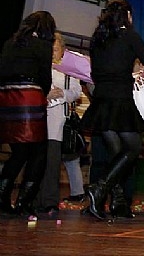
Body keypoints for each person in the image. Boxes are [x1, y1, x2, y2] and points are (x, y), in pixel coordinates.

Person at [81, 0, 144, 220]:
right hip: (121, 100)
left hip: (101, 101)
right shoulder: (131, 36)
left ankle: (117, 202)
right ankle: (100, 188)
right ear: (127, 16)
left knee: (117, 154)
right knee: (133, 149)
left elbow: (94, 73)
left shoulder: (98, 38)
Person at [0, 11, 57, 218]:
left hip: (6, 97)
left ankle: (2, 197)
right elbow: (45, 78)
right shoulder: (43, 45)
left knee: (19, 152)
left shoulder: (10, 43)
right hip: (29, 96)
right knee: (39, 152)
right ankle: (24, 202)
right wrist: (41, 93)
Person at [34, 32, 83, 216]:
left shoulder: (69, 69)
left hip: (57, 120)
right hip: (37, 118)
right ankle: (32, 199)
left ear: (62, 50)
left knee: (53, 162)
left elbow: (76, 92)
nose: (52, 53)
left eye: (55, 49)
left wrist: (62, 93)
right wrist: (44, 94)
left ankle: (49, 201)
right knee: (35, 161)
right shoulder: (39, 66)